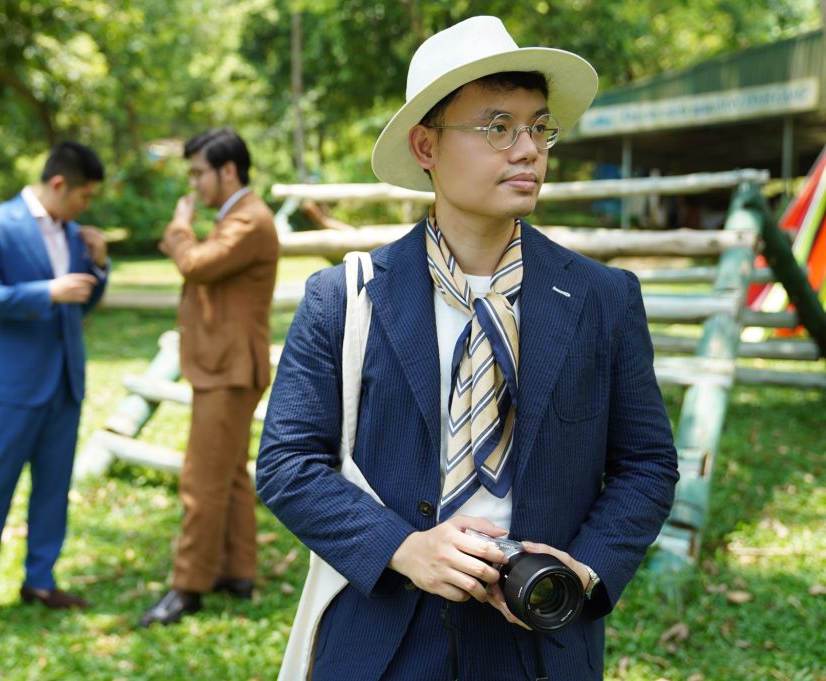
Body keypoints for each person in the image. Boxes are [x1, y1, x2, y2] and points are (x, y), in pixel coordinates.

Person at [256, 16, 678, 681]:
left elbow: (646, 463)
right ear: (426, 144)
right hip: (384, 636)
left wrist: (584, 568)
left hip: (539, 637)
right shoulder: (343, 298)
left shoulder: (603, 298)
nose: (527, 149)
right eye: (497, 127)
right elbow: (287, 462)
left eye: (539, 127)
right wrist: (402, 548)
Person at [0, 141, 108, 636]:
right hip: (14, 385)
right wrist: (46, 291)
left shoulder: (75, 235)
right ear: (59, 184)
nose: (87, 206)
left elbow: (80, 304)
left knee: (53, 490)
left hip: (65, 382)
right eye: (84, 195)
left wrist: (99, 267)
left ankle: (40, 580)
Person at [138, 128, 279, 627]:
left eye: (199, 173)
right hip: (225, 365)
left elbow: (196, 264)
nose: (194, 184)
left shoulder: (249, 220)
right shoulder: (237, 217)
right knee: (230, 474)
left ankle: (188, 587)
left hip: (229, 369)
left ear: (228, 170)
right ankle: (237, 572)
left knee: (201, 480)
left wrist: (179, 226)